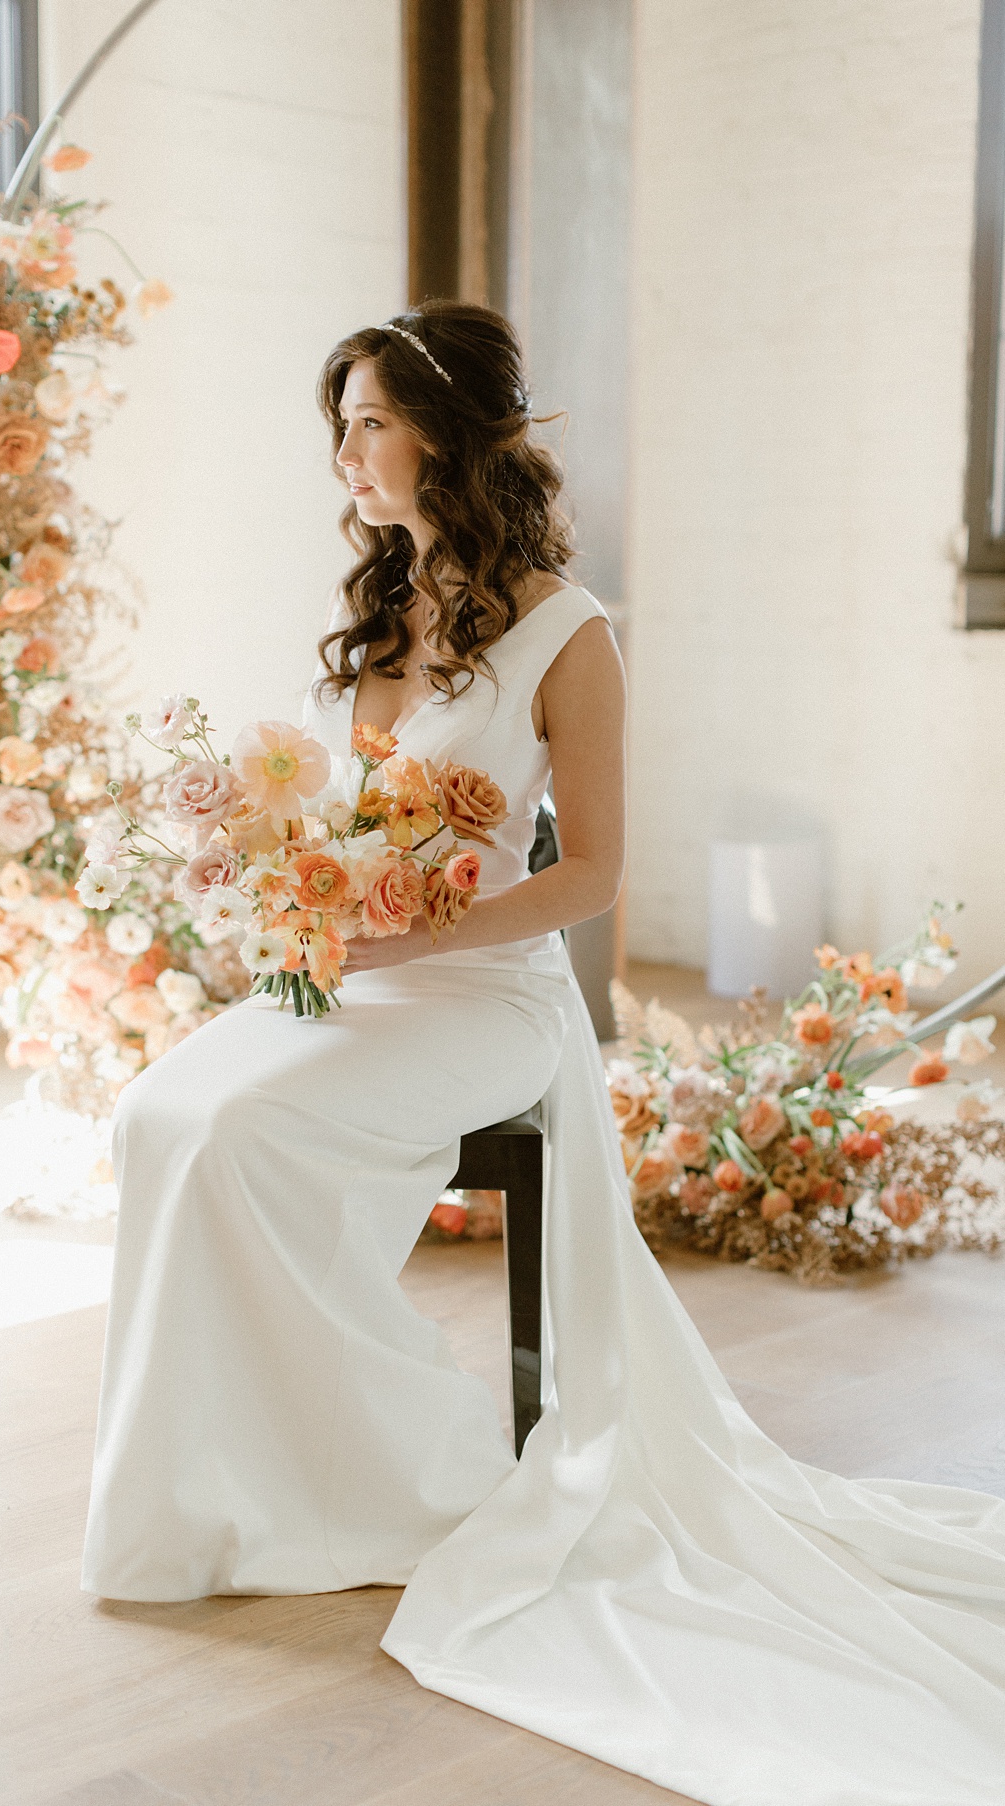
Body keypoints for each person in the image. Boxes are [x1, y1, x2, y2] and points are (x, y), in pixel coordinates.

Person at [82, 302, 1005, 1806]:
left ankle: (408, 1466)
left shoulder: (568, 632)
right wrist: (290, 884)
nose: (347, 454)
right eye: (341, 426)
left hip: (485, 1000)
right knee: (155, 1112)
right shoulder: (381, 606)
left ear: (448, 434)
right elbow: (337, 822)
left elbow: (592, 879)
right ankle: (213, 1478)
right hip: (357, 978)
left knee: (241, 1135)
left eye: (371, 423)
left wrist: (397, 940)